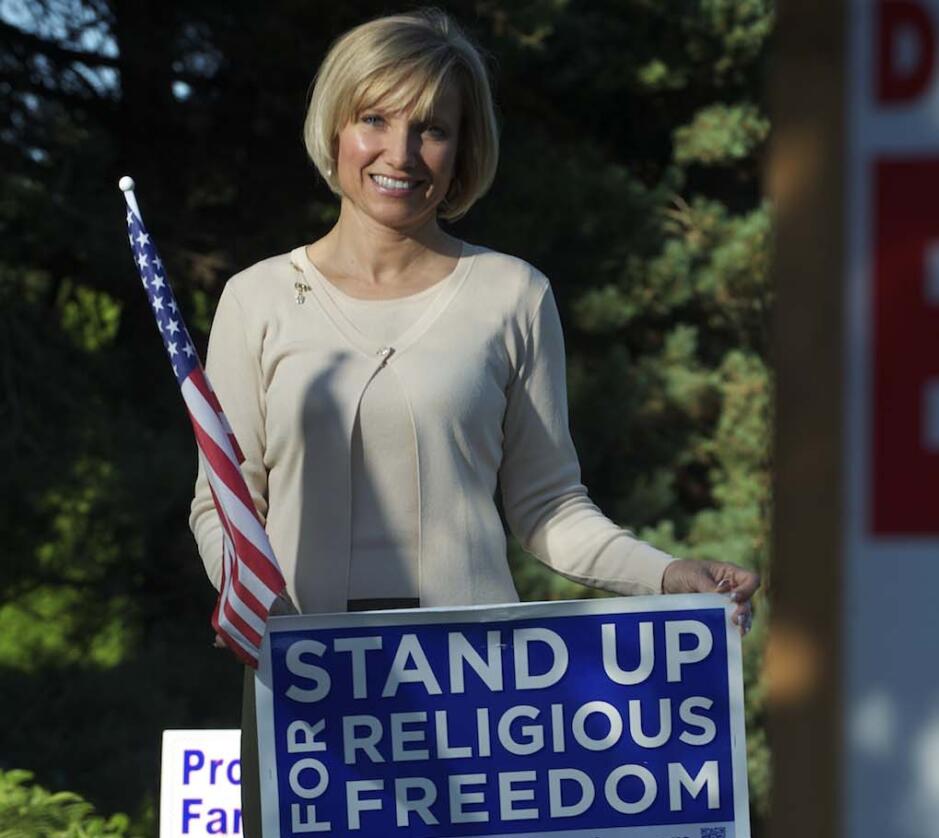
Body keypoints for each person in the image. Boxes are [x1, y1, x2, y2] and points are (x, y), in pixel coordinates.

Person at [188, 9, 758, 834]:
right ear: (336, 128)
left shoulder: (513, 296)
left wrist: (666, 575)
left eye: (432, 130)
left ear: (463, 151)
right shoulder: (257, 299)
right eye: (375, 119)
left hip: (481, 704)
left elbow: (549, 508)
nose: (401, 153)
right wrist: (254, 604)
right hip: (305, 695)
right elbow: (224, 503)